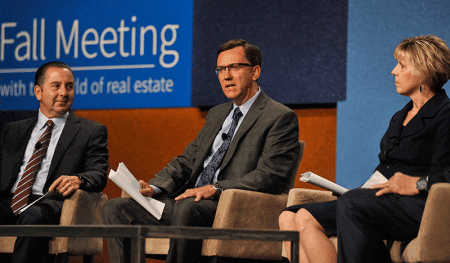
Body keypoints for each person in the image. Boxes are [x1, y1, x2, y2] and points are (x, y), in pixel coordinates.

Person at [102, 39, 300, 263]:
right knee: (115, 209)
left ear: (255, 72)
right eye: (221, 69)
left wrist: (214, 189)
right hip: (188, 202)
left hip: (229, 207)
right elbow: (188, 161)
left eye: (234, 67)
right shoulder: (217, 113)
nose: (226, 76)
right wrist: (155, 187)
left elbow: (270, 176)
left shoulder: (279, 117)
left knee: (188, 208)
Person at [279, 35, 450, 263]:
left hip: (422, 206)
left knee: (353, 203)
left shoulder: (445, 115)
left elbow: (446, 174)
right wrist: (358, 190)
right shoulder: (400, 116)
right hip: (383, 200)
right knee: (292, 216)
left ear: (424, 71)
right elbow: (385, 167)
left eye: (401, 65)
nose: (393, 71)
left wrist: (417, 183)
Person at [0, 61, 109, 263]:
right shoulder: (13, 130)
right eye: (56, 85)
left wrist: (78, 179)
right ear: (38, 91)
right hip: (10, 200)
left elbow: (99, 173)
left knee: (33, 217)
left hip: (48, 201)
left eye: (69, 86)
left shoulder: (90, 131)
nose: (64, 92)